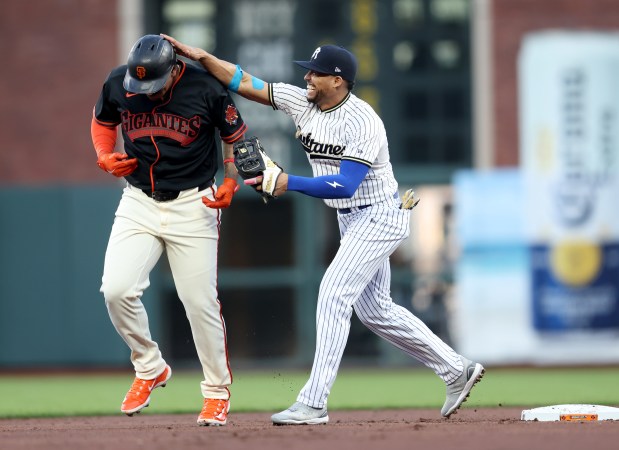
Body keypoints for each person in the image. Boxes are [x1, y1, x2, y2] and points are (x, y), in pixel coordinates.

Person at [162, 34, 484, 425]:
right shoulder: (304, 102)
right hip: (350, 218)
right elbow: (245, 82)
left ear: (339, 80)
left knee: (333, 292)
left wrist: (287, 182)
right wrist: (202, 56)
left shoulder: (363, 120)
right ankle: (455, 369)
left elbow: (346, 184)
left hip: (378, 214)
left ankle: (314, 401)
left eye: (316, 73)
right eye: (308, 71)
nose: (308, 78)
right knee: (376, 311)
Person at [91, 34, 248, 426]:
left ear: (174, 68)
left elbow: (235, 139)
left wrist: (231, 181)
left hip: (194, 203)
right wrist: (104, 156)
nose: (147, 91)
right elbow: (102, 122)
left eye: (154, 83)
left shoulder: (206, 87)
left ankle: (216, 391)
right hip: (139, 200)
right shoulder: (118, 82)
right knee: (116, 289)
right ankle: (149, 366)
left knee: (199, 303)